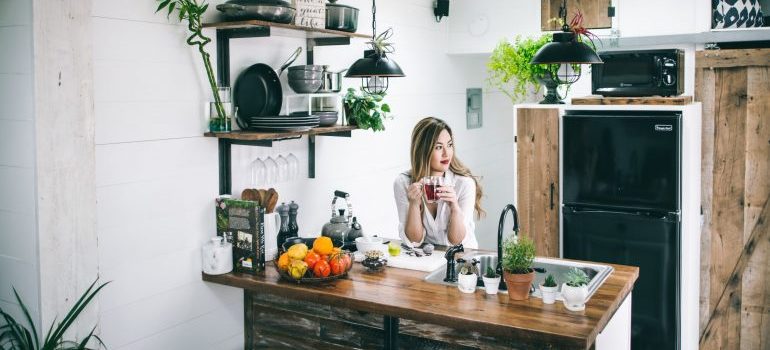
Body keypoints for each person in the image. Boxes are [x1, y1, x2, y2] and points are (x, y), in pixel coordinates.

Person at [393, 117, 484, 249]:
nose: (447, 153)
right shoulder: (403, 183)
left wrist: (454, 207)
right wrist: (414, 204)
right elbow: (414, 240)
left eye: (450, 145)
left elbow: (456, 241)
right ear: (423, 151)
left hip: (464, 258)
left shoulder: (464, 184)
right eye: (439, 147)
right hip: (429, 260)